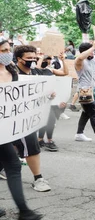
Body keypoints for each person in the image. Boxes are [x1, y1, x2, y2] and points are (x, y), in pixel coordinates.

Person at [0, 39, 43, 220]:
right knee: (13, 165)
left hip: (6, 129)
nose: (7, 53)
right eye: (3, 50)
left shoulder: (11, 70)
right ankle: (24, 212)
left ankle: (24, 211)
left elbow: (20, 97)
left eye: (8, 49)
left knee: (10, 165)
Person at [12, 45, 56, 192]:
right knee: (31, 144)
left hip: (31, 117)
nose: (32, 60)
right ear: (19, 59)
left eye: (34, 58)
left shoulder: (37, 73)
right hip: (16, 118)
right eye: (28, 58)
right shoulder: (10, 73)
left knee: (10, 148)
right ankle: (38, 179)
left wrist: (51, 95)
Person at [37, 53, 70, 152]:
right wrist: (41, 57)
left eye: (49, 59)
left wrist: (63, 60)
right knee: (47, 120)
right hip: (39, 100)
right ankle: (47, 141)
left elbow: (65, 72)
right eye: (46, 58)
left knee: (50, 120)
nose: (47, 60)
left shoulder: (50, 69)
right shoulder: (34, 69)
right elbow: (37, 69)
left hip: (50, 99)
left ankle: (42, 140)